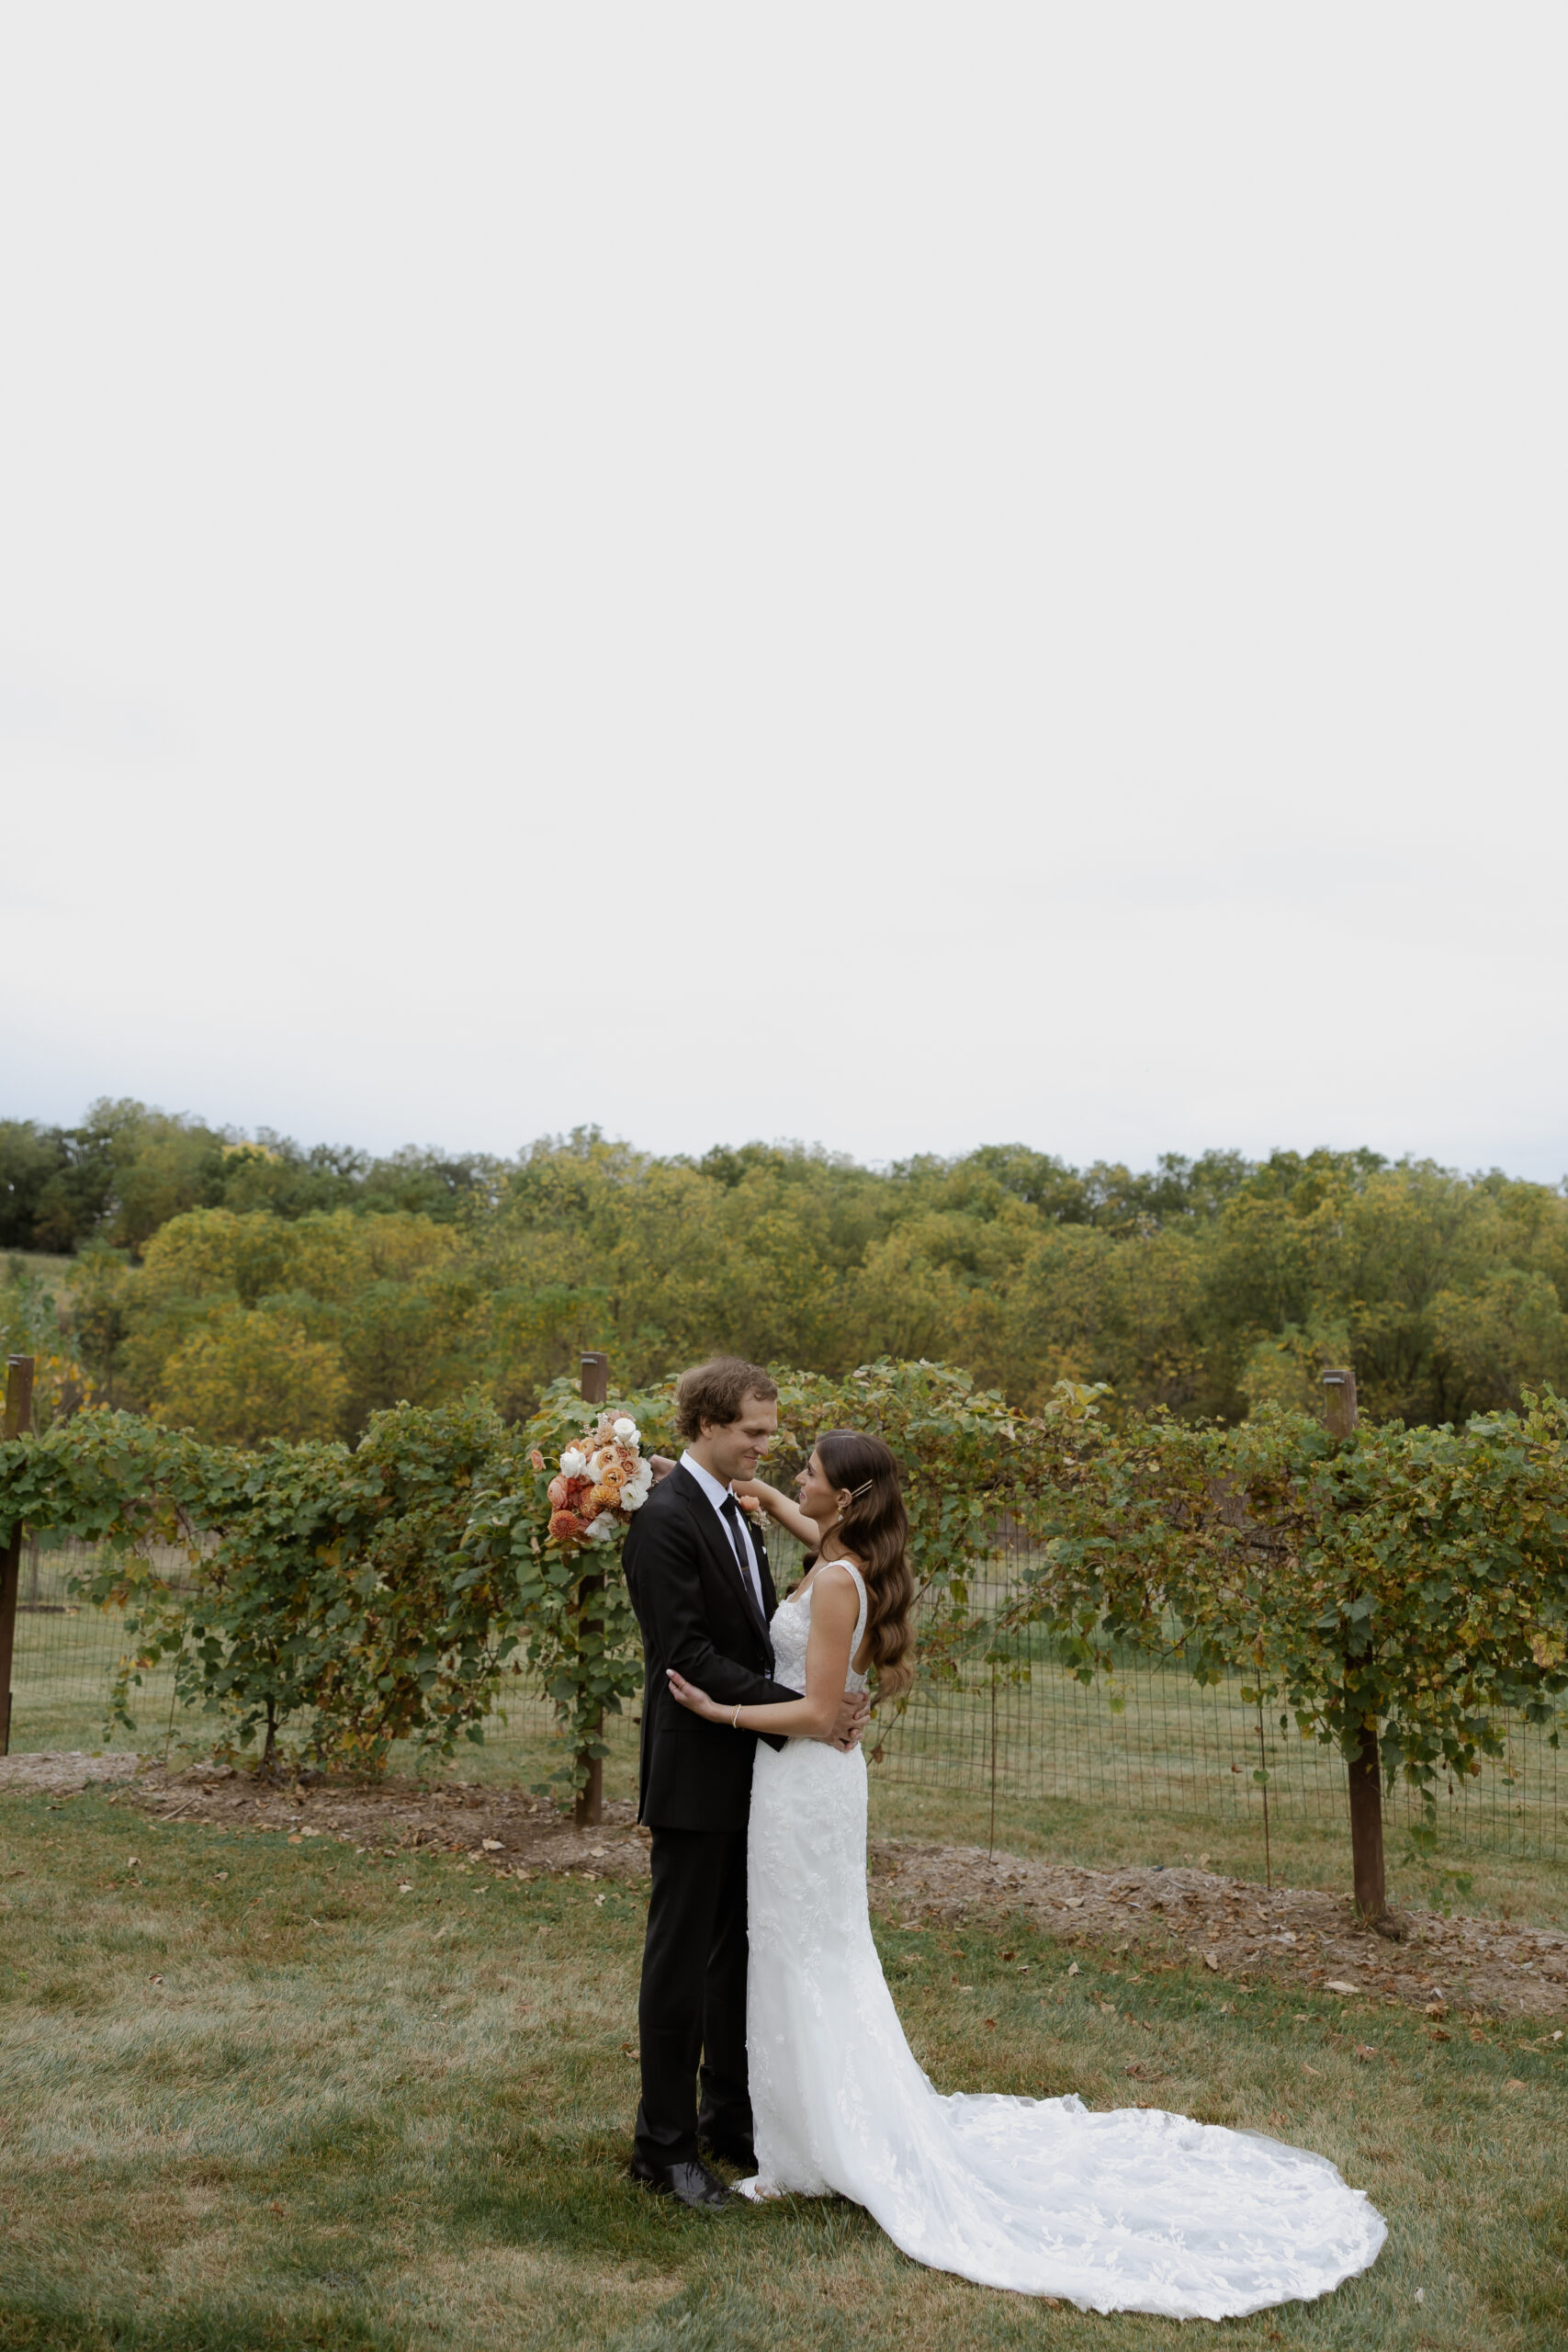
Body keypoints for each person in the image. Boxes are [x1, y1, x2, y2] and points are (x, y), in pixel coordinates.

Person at [665, 1430, 1387, 2320]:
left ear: (845, 1500)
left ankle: (815, 2150)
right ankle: (806, 2139)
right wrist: (754, 1496)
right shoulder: (846, 1556)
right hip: (806, 1788)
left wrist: (718, 1706)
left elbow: (818, 1710)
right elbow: (808, 1543)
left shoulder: (840, 1581)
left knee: (805, 1952)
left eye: (808, 1471)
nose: (794, 1478)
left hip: (801, 1779)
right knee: (798, 1950)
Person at [620, 1357, 870, 2211]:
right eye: (752, 1433)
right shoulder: (663, 1522)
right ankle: (663, 2147)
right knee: (681, 1961)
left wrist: (806, 1709)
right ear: (704, 1427)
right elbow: (685, 1655)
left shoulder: (736, 1507)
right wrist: (806, 1707)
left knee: (740, 1954)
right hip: (695, 1770)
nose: (767, 1446)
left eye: (770, 1432)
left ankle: (729, 2119)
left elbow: (760, 1634)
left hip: (758, 1774)